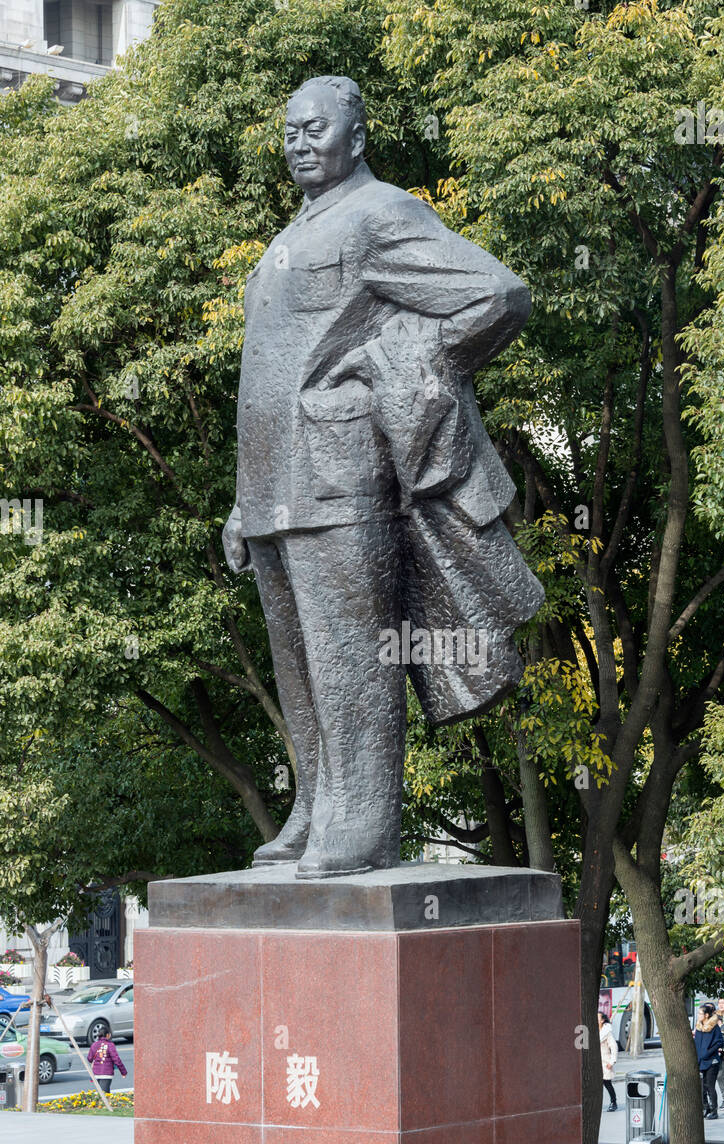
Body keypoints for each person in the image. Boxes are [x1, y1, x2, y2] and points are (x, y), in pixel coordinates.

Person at [221, 75, 542, 876]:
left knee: (352, 654)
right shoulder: (291, 235)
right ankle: (317, 802)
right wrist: (240, 500)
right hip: (271, 484)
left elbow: (496, 294)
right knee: (298, 662)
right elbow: (271, 372)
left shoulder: (379, 214)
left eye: (316, 128)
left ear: (355, 139)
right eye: (290, 129)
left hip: (340, 475)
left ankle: (361, 817)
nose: (299, 142)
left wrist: (401, 366)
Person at [693, 1003, 724, 1120]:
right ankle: (706, 1108)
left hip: (712, 1062)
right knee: (702, 1087)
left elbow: (719, 1042)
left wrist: (708, 1052)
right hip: (701, 1061)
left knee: (710, 1086)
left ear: (706, 1015)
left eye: (700, 1013)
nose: (698, 1015)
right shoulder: (699, 1027)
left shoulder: (714, 1027)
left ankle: (714, 1111)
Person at [86, 1029, 128, 1094]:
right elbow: (116, 1059)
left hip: (96, 1073)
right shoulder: (110, 1045)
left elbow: (89, 1058)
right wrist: (123, 1072)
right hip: (106, 1073)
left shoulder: (94, 1045)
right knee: (104, 1095)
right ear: (107, 1035)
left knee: (102, 1094)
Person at [598, 1011, 618, 1111]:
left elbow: (614, 1047)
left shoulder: (607, 1032)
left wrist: (612, 1061)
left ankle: (613, 1102)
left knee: (607, 1083)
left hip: (605, 1062)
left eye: (598, 1017)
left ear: (602, 1020)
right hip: (595, 1063)